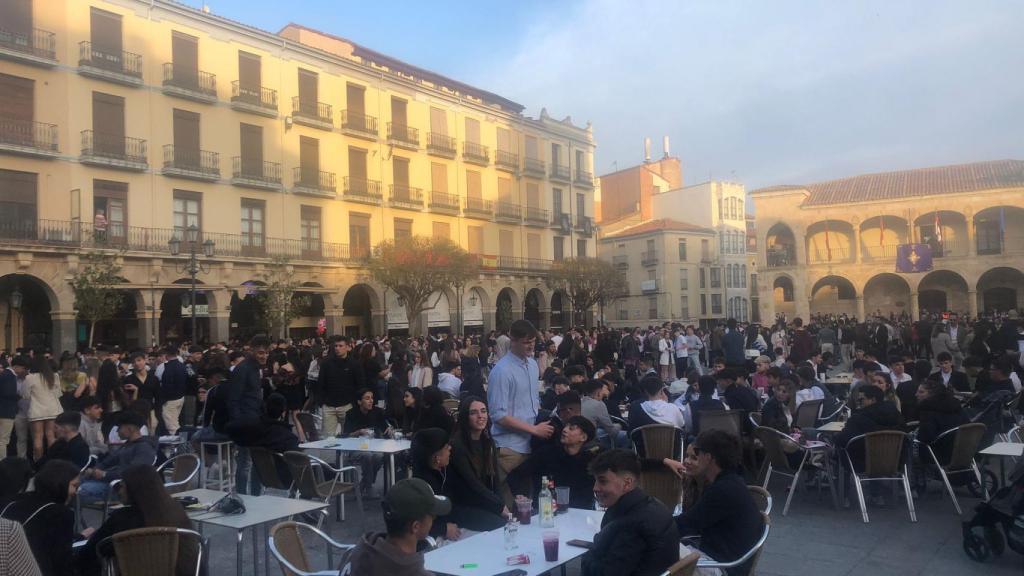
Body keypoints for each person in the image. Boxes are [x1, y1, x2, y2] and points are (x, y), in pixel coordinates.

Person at [76, 464, 194, 576]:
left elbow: (91, 552)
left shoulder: (122, 518)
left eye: (122, 486)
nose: (119, 491)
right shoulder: (176, 511)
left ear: (134, 489)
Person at [675, 430, 764, 571]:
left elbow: (685, 524)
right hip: (728, 557)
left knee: (658, 552)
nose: (694, 458)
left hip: (721, 566)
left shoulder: (722, 490)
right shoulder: (733, 481)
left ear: (708, 457)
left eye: (697, 453)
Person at [581, 449, 679, 576]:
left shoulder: (629, 525)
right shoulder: (654, 505)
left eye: (603, 481)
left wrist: (589, 555)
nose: (595, 488)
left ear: (627, 483)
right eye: (595, 481)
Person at [487, 319, 553, 507]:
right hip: (509, 448)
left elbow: (532, 403)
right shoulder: (501, 371)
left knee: (529, 506)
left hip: (530, 444)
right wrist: (534, 430)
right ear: (512, 340)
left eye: (532, 341)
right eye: (526, 342)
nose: (530, 346)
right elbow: (498, 416)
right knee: (512, 508)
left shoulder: (532, 365)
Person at [339, 477, 449, 576]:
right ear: (416, 526)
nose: (434, 520)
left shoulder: (360, 549)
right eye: (432, 516)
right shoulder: (412, 572)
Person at [0, 460, 81, 576]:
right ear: (61, 483)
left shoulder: (15, 501)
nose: (76, 492)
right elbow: (62, 560)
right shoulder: (61, 514)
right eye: (74, 485)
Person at [508, 415, 599, 509]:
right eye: (565, 426)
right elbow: (515, 475)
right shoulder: (546, 453)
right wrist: (520, 495)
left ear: (583, 437)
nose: (565, 430)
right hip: (545, 511)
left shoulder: (590, 461)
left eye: (571, 428)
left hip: (579, 513)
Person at [446, 397, 507, 530]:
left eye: (483, 411)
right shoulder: (457, 445)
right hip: (464, 505)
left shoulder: (487, 441)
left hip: (482, 501)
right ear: (465, 417)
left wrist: (502, 504)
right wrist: (499, 506)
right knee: (501, 525)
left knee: (510, 520)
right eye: (473, 413)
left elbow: (495, 480)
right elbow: (472, 484)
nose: (480, 416)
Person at [77, 411, 158, 504]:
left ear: (130, 428)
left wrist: (105, 474)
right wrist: (95, 470)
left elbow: (134, 473)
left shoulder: (144, 448)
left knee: (81, 491)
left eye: (119, 428)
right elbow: (109, 461)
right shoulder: (127, 445)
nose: (116, 431)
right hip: (111, 480)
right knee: (74, 483)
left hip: (122, 488)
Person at [343, 388, 388, 497]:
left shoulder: (377, 412)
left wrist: (389, 430)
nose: (371, 401)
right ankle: (368, 487)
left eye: (372, 398)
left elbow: (385, 429)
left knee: (379, 456)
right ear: (359, 401)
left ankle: (364, 483)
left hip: (374, 447)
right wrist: (359, 432)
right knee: (367, 455)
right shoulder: (351, 413)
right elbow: (346, 435)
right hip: (356, 447)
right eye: (367, 398)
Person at [317, 336, 364, 437]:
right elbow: (321, 383)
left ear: (348, 347)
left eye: (340, 346)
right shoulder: (326, 363)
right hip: (329, 406)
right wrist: (322, 401)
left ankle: (344, 453)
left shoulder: (354, 364)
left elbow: (360, 384)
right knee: (328, 439)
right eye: (336, 346)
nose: (337, 348)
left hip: (347, 406)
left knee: (349, 436)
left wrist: (355, 403)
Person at [914, 379, 968, 463]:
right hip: (962, 452)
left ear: (932, 395)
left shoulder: (928, 411)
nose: (916, 394)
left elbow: (925, 438)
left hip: (937, 454)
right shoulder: (957, 407)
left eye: (921, 392)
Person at [25, 355, 63, 460]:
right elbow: (59, 394)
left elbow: (25, 395)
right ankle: (53, 460)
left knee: (38, 437)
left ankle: (38, 462)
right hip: (53, 409)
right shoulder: (54, 376)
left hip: (37, 410)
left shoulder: (30, 377)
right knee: (51, 435)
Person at [581, 379, 629, 449]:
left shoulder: (581, 402)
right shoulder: (599, 404)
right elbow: (612, 432)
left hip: (581, 438)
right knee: (626, 436)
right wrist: (619, 425)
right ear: (598, 393)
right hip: (591, 441)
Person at [0, 356, 29, 455]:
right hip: (6, 412)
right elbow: (8, 393)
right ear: (17, 366)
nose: (23, 371)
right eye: (23, 368)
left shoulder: (4, 374)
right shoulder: (9, 376)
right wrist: (20, 395)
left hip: (4, 410)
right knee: (3, 440)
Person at [158, 346, 187, 435]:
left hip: (170, 400)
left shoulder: (169, 368)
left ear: (166, 355)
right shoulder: (182, 366)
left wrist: (163, 399)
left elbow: (167, 385)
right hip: (180, 397)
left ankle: (178, 447)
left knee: (172, 426)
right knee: (175, 422)